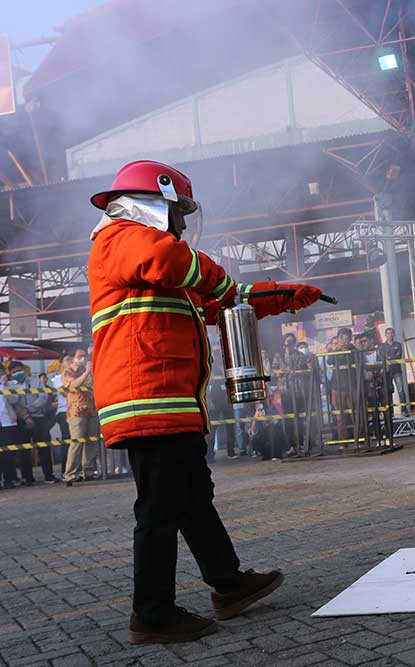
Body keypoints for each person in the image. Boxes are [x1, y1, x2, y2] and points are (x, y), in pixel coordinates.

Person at [87, 160, 322, 643]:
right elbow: (182, 265)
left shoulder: (148, 255)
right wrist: (226, 282)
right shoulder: (120, 238)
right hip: (147, 400)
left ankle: (228, 584)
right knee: (159, 509)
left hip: (169, 401)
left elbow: (221, 303)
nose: (182, 225)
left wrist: (284, 295)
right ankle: (152, 615)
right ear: (154, 205)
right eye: (177, 213)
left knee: (192, 498)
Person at [61, 349, 101, 485]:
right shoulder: (68, 371)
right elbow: (72, 385)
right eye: (80, 356)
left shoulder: (88, 370)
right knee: (77, 443)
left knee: (91, 443)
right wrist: (85, 374)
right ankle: (70, 474)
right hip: (76, 412)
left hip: (91, 410)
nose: (83, 359)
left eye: (85, 356)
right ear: (73, 358)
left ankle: (88, 471)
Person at [272, 334, 309, 457]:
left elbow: (303, 369)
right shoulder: (279, 355)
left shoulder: (300, 355)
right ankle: (292, 445)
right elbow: (274, 371)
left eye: (291, 341)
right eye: (287, 341)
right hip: (285, 392)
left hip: (298, 391)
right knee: (288, 420)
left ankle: (302, 444)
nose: (289, 343)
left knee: (299, 419)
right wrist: (282, 372)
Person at [20, 365, 59, 484]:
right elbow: (14, 402)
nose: (17, 374)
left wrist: (28, 409)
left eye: (19, 371)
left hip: (39, 417)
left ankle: (48, 475)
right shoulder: (10, 384)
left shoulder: (36, 381)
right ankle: (27, 478)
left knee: (44, 447)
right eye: (14, 372)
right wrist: (24, 415)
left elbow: (43, 397)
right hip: (21, 419)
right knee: (23, 450)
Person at [379, 328, 408, 416]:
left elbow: (398, 355)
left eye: (391, 333)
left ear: (394, 334)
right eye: (388, 333)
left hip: (397, 370)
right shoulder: (382, 346)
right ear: (385, 334)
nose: (390, 335)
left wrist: (390, 357)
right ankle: (389, 412)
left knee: (401, 390)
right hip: (387, 371)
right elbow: (382, 357)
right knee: (388, 391)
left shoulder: (398, 344)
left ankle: (404, 410)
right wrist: (391, 357)